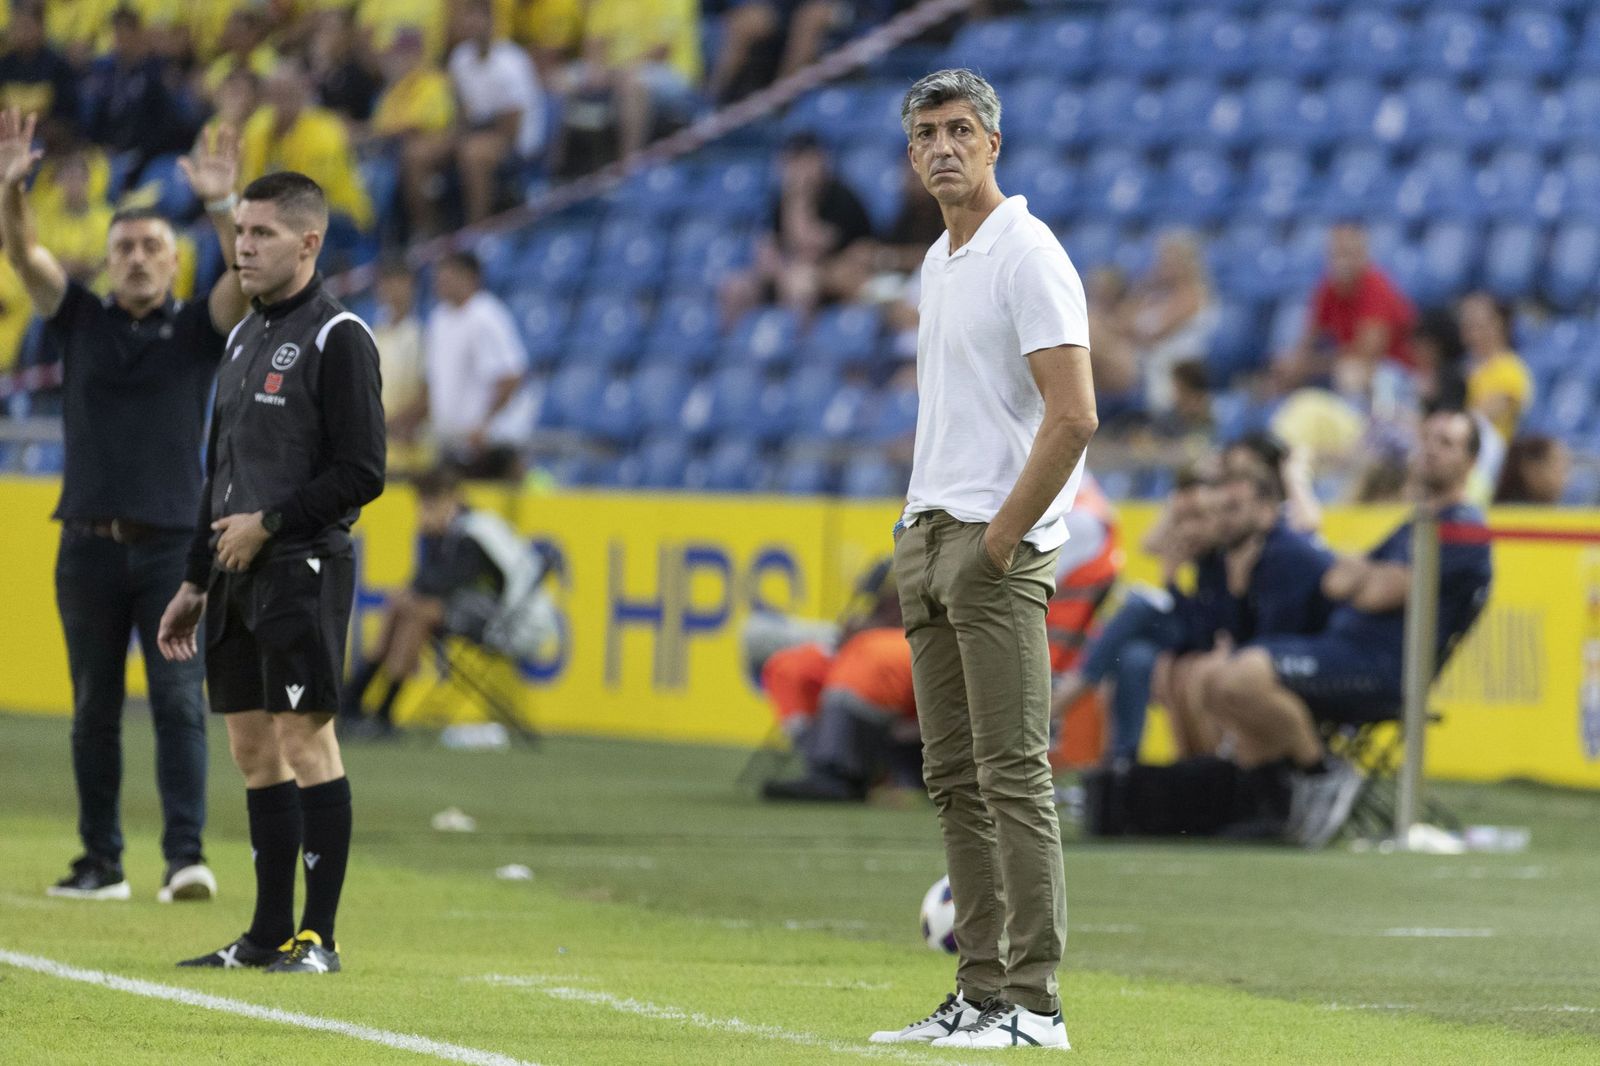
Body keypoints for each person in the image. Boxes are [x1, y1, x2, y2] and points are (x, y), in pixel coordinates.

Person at [874, 69, 1094, 1051]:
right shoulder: (939, 258)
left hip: (991, 544)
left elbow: (1075, 413)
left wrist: (998, 541)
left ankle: (1035, 1003)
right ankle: (979, 991)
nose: (945, 147)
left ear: (995, 144)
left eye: (962, 129)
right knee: (954, 779)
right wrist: (918, 536)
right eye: (928, 133)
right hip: (930, 534)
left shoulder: (1027, 253)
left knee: (1011, 775)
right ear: (912, 154)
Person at [0, 109, 248, 901]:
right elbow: (25, 255)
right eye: (124, 249)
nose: (137, 259)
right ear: (106, 264)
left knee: (178, 704)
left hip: (176, 546)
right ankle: (100, 861)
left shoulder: (196, 332)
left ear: (175, 264)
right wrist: (13, 194)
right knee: (91, 710)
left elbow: (242, 284)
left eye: (150, 248)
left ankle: (185, 858)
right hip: (88, 543)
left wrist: (221, 204)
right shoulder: (81, 318)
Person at [157, 171, 385, 974]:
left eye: (261, 235)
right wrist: (193, 579)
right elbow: (217, 472)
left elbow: (364, 471)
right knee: (254, 750)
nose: (243, 247)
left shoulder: (339, 336)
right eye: (241, 233)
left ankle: (318, 938)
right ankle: (264, 935)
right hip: (233, 573)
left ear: (309, 242)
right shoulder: (242, 336)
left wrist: (272, 524)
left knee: (306, 738)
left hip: (301, 565)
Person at [1199, 409, 1492, 849]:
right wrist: (1370, 577)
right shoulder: (1417, 524)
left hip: (1383, 669)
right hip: (1341, 649)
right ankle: (1277, 805)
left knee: (1243, 676)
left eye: (1446, 443)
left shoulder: (1462, 530)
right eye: (1427, 437)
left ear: (1470, 464)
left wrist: (1368, 578)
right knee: (1216, 682)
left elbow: (1374, 592)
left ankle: (1324, 774)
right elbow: (1338, 580)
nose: (1431, 448)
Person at [340, 466, 542, 737]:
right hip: (480, 611)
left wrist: (429, 537)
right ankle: (357, 704)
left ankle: (377, 709)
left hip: (513, 623)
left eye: (430, 503)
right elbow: (425, 583)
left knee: (417, 610)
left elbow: (443, 582)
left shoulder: (475, 534)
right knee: (404, 604)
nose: (424, 510)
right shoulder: (452, 532)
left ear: (452, 499)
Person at [756, 558, 920, 802]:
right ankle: (820, 765)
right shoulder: (906, 557)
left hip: (932, 649)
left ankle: (841, 772)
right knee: (790, 668)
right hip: (890, 652)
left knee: (869, 653)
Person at [720, 132, 874, 322]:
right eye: (792, 161)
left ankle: (798, 347)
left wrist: (798, 201)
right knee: (735, 287)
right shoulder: (782, 196)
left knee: (800, 284)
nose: (795, 170)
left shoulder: (840, 196)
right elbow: (769, 244)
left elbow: (811, 247)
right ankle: (733, 346)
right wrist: (773, 264)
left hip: (837, 274)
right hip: (791, 270)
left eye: (802, 160)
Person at [421, 250, 533, 480]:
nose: (441, 281)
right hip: (452, 442)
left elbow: (511, 376)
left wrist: (485, 424)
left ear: (471, 277)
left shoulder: (486, 316)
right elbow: (434, 382)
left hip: (487, 445)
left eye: (448, 275)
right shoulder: (438, 319)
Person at [1275, 222, 1416, 399]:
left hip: (1396, 372)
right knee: (1286, 366)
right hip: (1344, 363)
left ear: (1363, 255)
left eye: (1348, 254)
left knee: (1351, 372)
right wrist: (1294, 362)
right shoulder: (1328, 287)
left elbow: (1367, 353)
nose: (1342, 261)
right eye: (1335, 254)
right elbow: (1310, 336)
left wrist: (1310, 365)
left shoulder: (1376, 288)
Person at [448, 0, 546, 225]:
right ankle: (426, 234)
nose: (473, 23)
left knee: (473, 154)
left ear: (491, 22)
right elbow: (462, 110)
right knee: (420, 153)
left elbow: (513, 125)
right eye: (468, 16)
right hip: (479, 129)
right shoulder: (459, 58)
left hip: (519, 139)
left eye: (479, 16)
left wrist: (471, 138)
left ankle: (477, 229)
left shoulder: (511, 60)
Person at [1457, 292, 1532, 444]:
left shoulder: (1509, 370)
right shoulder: (1465, 366)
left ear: (1498, 325)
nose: (1469, 330)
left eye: (1476, 323)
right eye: (1466, 323)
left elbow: (1475, 421)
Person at [1495, 435, 1569, 505]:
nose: (1564, 479)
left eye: (1565, 468)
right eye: (1557, 466)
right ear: (1532, 469)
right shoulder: (1509, 512)